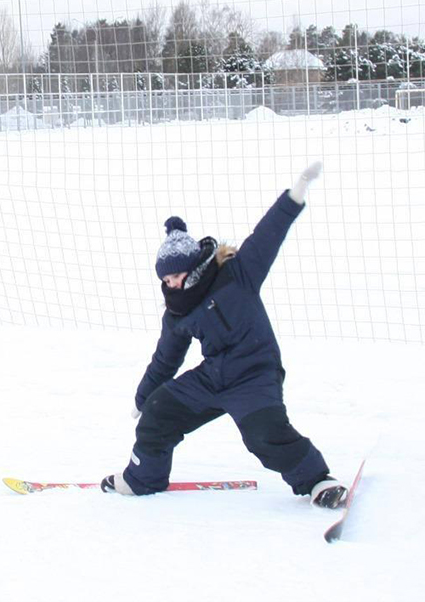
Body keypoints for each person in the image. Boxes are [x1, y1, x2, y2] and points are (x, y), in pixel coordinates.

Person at [102, 162, 348, 509]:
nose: (168, 284)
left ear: (191, 265)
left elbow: (269, 232)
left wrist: (296, 194)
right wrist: (143, 398)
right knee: (160, 411)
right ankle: (142, 479)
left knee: (264, 435)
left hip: (255, 373)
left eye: (173, 276)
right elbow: (166, 358)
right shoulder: (178, 310)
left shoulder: (237, 274)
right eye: (164, 279)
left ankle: (319, 481)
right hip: (214, 376)